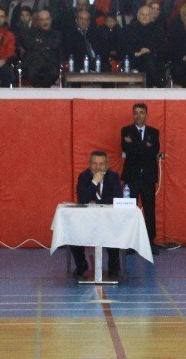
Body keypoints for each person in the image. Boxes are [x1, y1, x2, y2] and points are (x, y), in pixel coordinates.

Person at [69, 150, 123, 278]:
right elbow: (82, 199)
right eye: (94, 164)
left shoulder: (113, 176)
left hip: (109, 219)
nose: (98, 167)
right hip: (87, 220)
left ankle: (114, 268)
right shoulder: (84, 177)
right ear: (89, 164)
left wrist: (97, 200)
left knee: (114, 233)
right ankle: (81, 265)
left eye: (101, 164)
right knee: (72, 232)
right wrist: (94, 183)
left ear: (107, 165)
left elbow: (117, 198)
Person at [121, 103, 161, 251]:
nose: (138, 115)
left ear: (146, 115)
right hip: (131, 178)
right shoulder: (125, 130)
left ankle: (150, 242)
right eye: (136, 113)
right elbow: (126, 148)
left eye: (141, 112)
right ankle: (130, 242)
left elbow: (154, 150)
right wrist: (145, 145)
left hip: (148, 177)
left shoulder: (154, 132)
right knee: (130, 210)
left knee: (150, 210)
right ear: (133, 115)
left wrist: (136, 145)